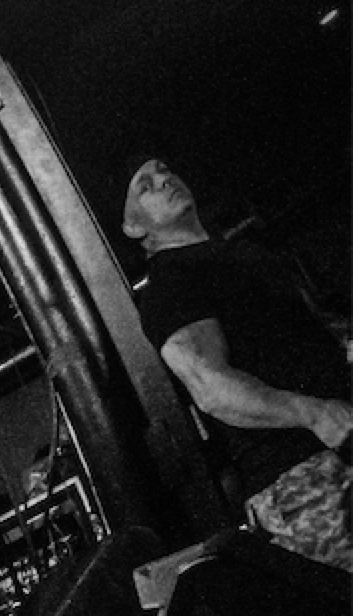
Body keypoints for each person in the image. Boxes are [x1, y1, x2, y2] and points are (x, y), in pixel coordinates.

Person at [121, 158, 352, 572]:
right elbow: (211, 387)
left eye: (164, 170)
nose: (164, 179)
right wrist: (315, 413)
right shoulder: (171, 284)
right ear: (134, 227)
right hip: (302, 478)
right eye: (145, 186)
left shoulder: (241, 256)